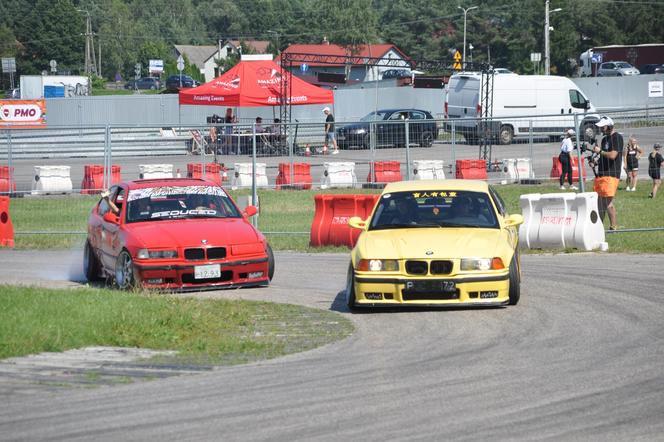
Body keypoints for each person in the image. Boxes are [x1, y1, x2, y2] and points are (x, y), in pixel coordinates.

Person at [592, 116, 623, 230]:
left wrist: (600, 151)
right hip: (602, 174)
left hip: (611, 174)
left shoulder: (617, 137)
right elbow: (604, 156)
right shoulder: (604, 139)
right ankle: (599, 228)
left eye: (603, 127)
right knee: (600, 203)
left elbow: (613, 155)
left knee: (607, 202)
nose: (601, 129)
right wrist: (595, 162)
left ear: (609, 126)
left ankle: (613, 227)